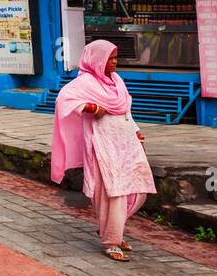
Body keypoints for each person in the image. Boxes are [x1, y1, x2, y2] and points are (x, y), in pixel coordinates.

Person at [51, 40, 156, 262]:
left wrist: (136, 131)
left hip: (126, 141)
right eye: (110, 58)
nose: (114, 63)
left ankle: (111, 228)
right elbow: (64, 100)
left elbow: (125, 111)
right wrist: (91, 107)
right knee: (113, 193)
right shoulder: (86, 82)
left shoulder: (116, 81)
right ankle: (111, 241)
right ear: (97, 60)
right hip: (103, 145)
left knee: (139, 188)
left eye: (116, 58)